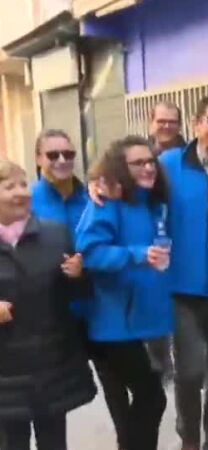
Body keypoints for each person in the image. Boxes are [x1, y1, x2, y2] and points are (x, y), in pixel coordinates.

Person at [90, 97, 208, 450]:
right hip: (180, 291)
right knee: (189, 373)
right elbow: (130, 177)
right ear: (197, 124)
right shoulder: (168, 164)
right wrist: (98, 182)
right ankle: (189, 439)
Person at [31, 129, 132, 450]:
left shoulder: (93, 196)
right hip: (51, 314)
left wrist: (85, 266)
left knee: (117, 386)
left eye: (69, 154)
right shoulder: (27, 200)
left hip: (95, 307)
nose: (62, 160)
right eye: (53, 155)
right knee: (51, 400)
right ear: (38, 159)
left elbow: (108, 240)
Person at [76, 136, 173, 450]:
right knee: (151, 397)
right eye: (138, 163)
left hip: (146, 320)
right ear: (120, 168)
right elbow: (89, 253)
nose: (148, 167)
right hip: (114, 326)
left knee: (146, 401)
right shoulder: (106, 201)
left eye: (151, 161)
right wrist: (137, 254)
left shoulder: (153, 202)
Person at [0, 159, 96, 450]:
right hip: (5, 371)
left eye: (23, 184)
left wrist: (78, 275)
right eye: (9, 187)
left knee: (53, 440)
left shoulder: (55, 234)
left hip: (50, 364)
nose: (21, 192)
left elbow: (78, 295)